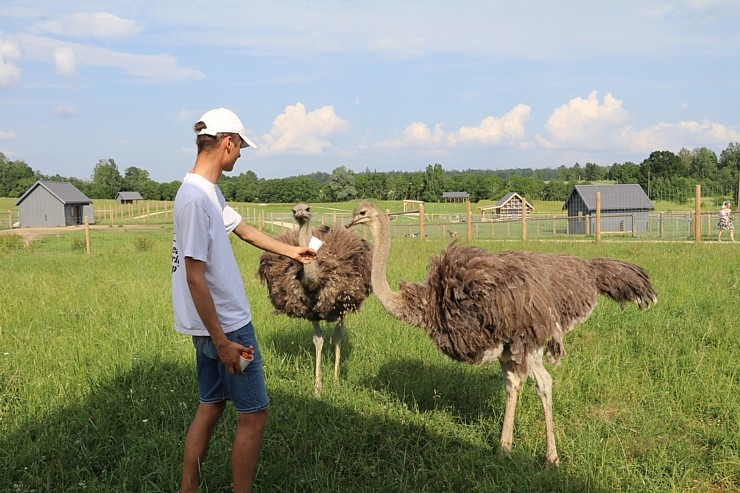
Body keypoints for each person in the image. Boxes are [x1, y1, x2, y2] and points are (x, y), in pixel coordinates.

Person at [171, 107, 317, 493]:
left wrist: (292, 253)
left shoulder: (206, 192)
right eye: (239, 148)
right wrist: (223, 343)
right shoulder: (194, 201)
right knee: (254, 414)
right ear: (227, 143)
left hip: (211, 329)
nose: (240, 155)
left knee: (212, 405)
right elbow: (193, 275)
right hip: (228, 330)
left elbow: (245, 231)